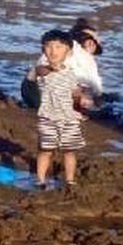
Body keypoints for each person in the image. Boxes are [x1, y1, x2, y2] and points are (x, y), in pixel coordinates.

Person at [33, 29, 90, 186]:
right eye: (49, 46)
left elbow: (75, 93)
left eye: (58, 47)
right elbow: (39, 71)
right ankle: (40, 179)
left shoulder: (71, 74)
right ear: (43, 50)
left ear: (69, 52)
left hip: (69, 118)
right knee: (45, 150)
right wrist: (52, 68)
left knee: (69, 151)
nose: (53, 51)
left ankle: (70, 180)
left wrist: (82, 100)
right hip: (48, 117)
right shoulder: (42, 70)